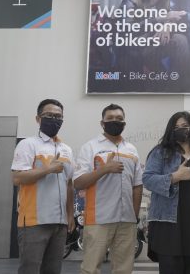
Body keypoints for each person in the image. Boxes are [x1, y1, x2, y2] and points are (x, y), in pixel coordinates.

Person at [142, 111, 190, 274]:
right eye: (176, 127)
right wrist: (174, 177)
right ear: (170, 130)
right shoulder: (160, 152)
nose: (181, 129)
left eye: (185, 126)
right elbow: (147, 179)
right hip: (168, 225)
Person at [73, 103, 143, 274]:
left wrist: (134, 216)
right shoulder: (90, 147)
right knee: (91, 269)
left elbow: (137, 185)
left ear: (124, 123)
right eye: (110, 118)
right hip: (99, 219)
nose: (115, 121)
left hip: (127, 221)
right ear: (102, 123)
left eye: (119, 118)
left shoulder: (131, 150)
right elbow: (78, 183)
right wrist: (104, 169)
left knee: (124, 269)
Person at [11, 99, 75, 274]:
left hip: (60, 223)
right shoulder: (28, 144)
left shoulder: (67, 149)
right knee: (30, 270)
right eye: (49, 115)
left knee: (53, 270)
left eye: (58, 116)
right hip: (34, 222)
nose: (54, 119)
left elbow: (69, 184)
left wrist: (70, 215)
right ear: (38, 119)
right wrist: (48, 169)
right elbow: (17, 177)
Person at [119, 0, 190, 83]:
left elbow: (173, 19)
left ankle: (180, 85)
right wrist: (161, 19)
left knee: (181, 40)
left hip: (153, 45)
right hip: (133, 49)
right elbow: (125, 29)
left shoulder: (164, 1)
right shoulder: (131, 0)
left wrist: (167, 26)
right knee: (179, 41)